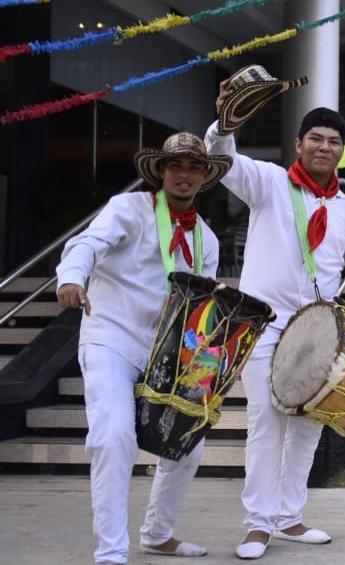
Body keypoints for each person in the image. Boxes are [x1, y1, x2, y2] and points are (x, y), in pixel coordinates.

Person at [205, 90, 345, 560]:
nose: (325, 147)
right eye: (316, 139)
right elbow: (223, 158)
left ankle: (289, 516)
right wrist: (224, 123)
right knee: (266, 419)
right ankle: (258, 523)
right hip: (262, 324)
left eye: (333, 141)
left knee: (309, 424)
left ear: (342, 150)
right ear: (299, 143)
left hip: (320, 332)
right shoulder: (268, 183)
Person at [55, 132, 226, 564]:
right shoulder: (128, 209)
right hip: (110, 336)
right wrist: (71, 278)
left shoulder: (207, 240)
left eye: (194, 167)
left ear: (204, 176)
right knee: (114, 437)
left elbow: (200, 308)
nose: (184, 175)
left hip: (167, 352)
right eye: (176, 166)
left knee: (189, 442)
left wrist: (207, 355)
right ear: (161, 171)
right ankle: (112, 552)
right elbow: (85, 244)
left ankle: (157, 534)